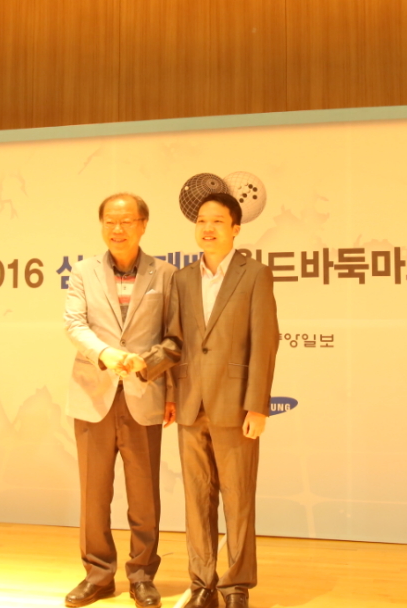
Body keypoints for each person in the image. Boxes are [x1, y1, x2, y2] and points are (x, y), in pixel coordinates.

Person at [135, 192, 279, 608]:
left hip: (235, 405)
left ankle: (236, 586)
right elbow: (175, 341)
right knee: (196, 499)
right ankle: (202, 583)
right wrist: (149, 372)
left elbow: (264, 341)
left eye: (217, 221)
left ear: (236, 228)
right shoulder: (182, 279)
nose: (207, 228)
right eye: (201, 220)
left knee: (238, 499)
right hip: (190, 403)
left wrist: (258, 404)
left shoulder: (255, 275)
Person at [63, 193, 176, 608]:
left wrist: (170, 391)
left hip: (145, 394)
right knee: (94, 494)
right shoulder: (82, 271)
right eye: (110, 221)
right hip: (94, 395)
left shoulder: (166, 274)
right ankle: (98, 574)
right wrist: (107, 354)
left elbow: (173, 337)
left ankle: (142, 575)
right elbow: (74, 324)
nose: (117, 229)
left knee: (144, 496)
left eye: (127, 221)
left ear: (143, 225)